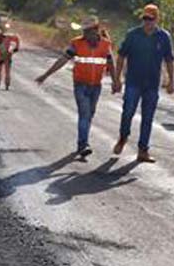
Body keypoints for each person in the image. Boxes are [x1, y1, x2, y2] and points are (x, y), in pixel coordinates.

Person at [35, 16, 120, 159]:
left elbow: (111, 64)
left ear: (96, 30)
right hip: (80, 85)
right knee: (85, 114)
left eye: (87, 31)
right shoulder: (76, 44)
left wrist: (115, 81)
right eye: (84, 31)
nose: (85, 34)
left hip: (96, 87)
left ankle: (82, 142)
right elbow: (62, 60)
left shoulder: (106, 45)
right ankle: (83, 145)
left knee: (89, 114)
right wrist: (46, 75)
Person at [114, 4, 174, 163]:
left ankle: (143, 150)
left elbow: (169, 60)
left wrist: (171, 80)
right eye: (145, 18)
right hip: (133, 81)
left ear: (157, 19)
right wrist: (117, 78)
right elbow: (121, 56)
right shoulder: (133, 35)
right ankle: (123, 137)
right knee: (128, 111)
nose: (147, 21)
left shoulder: (164, 37)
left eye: (150, 19)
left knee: (147, 117)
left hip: (152, 84)